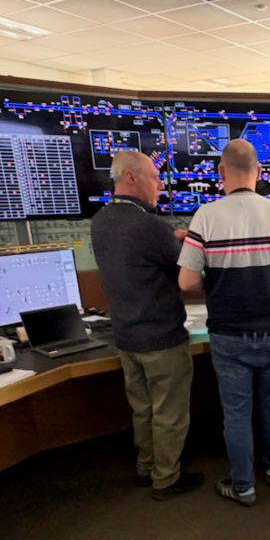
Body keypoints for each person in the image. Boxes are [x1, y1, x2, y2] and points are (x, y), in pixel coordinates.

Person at [178, 139, 270, 507]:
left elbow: (187, 282)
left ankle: (243, 486)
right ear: (259, 172)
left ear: (221, 172)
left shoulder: (206, 215)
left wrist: (220, 285)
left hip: (228, 333)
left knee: (236, 412)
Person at [90, 150, 203, 501]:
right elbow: (184, 276)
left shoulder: (101, 221)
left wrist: (172, 237)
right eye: (155, 178)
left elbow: (140, 258)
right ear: (132, 178)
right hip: (161, 337)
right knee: (169, 412)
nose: (160, 185)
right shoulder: (151, 226)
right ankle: (166, 479)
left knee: (142, 408)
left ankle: (146, 467)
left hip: (126, 337)